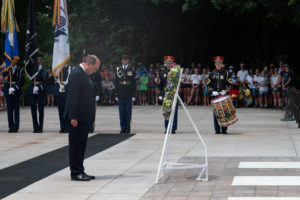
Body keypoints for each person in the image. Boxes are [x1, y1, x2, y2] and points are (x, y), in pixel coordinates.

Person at [64, 55, 100, 181]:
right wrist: (73, 116)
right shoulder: (77, 73)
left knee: (81, 145)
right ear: (88, 64)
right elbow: (74, 96)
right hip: (77, 118)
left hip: (83, 117)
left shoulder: (83, 74)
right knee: (76, 145)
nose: (95, 71)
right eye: (95, 68)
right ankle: (75, 172)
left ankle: (80, 170)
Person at [207, 56, 232, 134]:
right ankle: (217, 129)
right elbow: (208, 85)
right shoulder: (211, 74)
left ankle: (224, 129)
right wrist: (212, 92)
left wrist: (226, 90)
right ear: (215, 64)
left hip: (223, 96)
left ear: (222, 65)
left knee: (224, 112)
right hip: (215, 96)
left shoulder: (226, 73)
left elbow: (230, 84)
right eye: (217, 63)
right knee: (216, 112)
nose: (218, 65)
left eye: (220, 63)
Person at [115, 55, 136, 134]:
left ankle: (127, 128)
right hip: (120, 93)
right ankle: (122, 127)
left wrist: (134, 95)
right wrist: (116, 94)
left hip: (129, 93)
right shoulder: (118, 69)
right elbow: (116, 82)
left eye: (125, 59)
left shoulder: (132, 69)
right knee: (121, 111)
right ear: (121, 60)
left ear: (128, 60)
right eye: (123, 59)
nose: (124, 61)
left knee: (128, 111)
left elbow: (134, 83)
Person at [28, 53, 48, 133]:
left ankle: (40, 127)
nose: (37, 60)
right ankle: (35, 127)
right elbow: (30, 80)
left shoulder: (45, 70)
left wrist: (39, 87)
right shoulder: (32, 70)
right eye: (36, 59)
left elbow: (46, 82)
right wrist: (33, 87)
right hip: (32, 90)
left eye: (39, 59)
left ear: (41, 60)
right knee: (33, 109)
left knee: (40, 109)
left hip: (40, 91)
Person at [2, 61, 25, 133]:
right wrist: (3, 68)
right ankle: (10, 126)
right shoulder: (8, 69)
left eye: (14, 59)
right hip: (8, 89)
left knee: (16, 109)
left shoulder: (20, 69)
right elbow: (3, 74)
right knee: (9, 109)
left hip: (16, 90)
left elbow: (22, 81)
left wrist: (14, 88)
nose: (12, 61)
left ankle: (16, 127)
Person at [161, 56, 178, 134]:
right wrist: (161, 94)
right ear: (165, 63)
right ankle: (167, 127)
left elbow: (178, 83)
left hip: (173, 94)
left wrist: (176, 92)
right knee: (166, 111)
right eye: (167, 63)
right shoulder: (162, 72)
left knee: (174, 111)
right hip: (166, 95)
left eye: (170, 63)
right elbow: (160, 84)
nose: (169, 64)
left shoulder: (175, 72)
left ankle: (173, 128)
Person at [54, 64, 72, 133]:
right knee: (60, 111)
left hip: (67, 92)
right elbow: (54, 79)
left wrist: (65, 86)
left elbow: (71, 80)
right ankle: (62, 127)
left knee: (67, 110)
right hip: (59, 91)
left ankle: (68, 127)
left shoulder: (71, 68)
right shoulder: (57, 68)